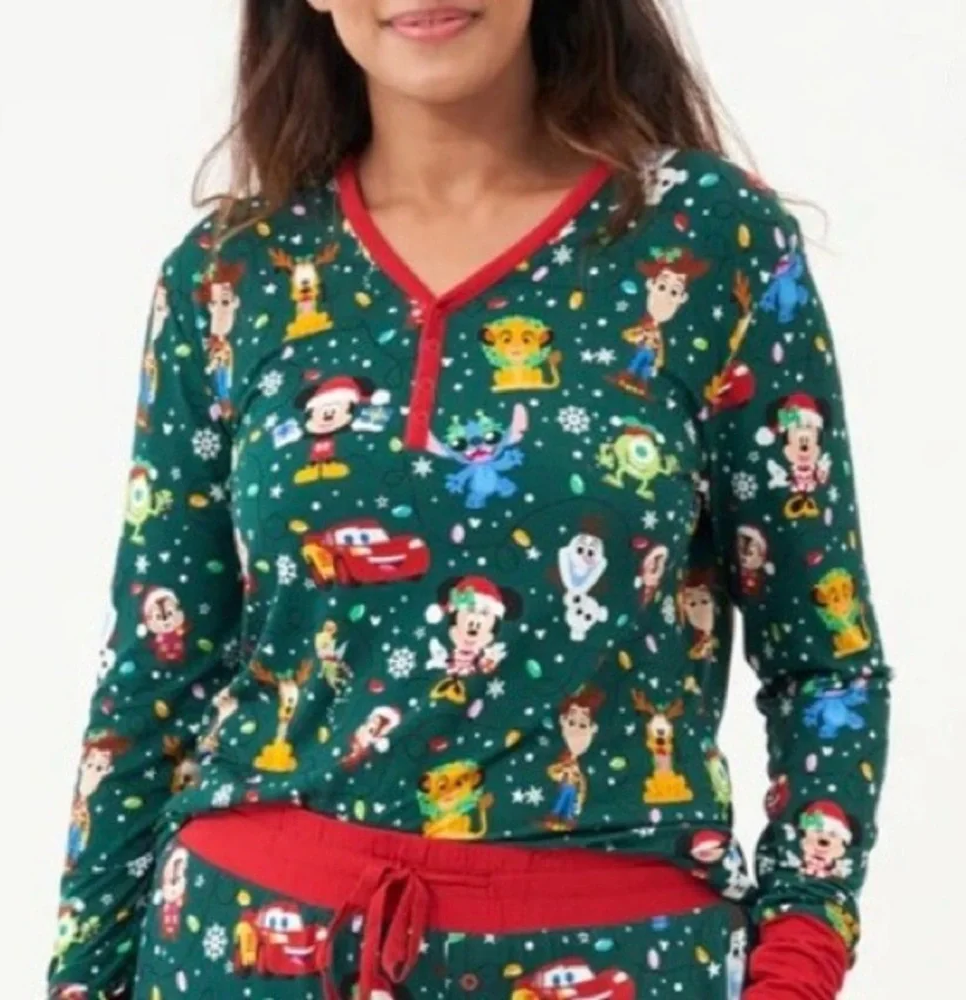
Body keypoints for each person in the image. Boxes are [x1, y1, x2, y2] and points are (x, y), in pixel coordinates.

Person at [48, 3, 892, 999]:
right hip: (242, 949)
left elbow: (825, 659)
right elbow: (154, 679)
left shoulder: (708, 239)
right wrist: (80, 980)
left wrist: (797, 963)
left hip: (624, 956)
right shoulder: (233, 273)